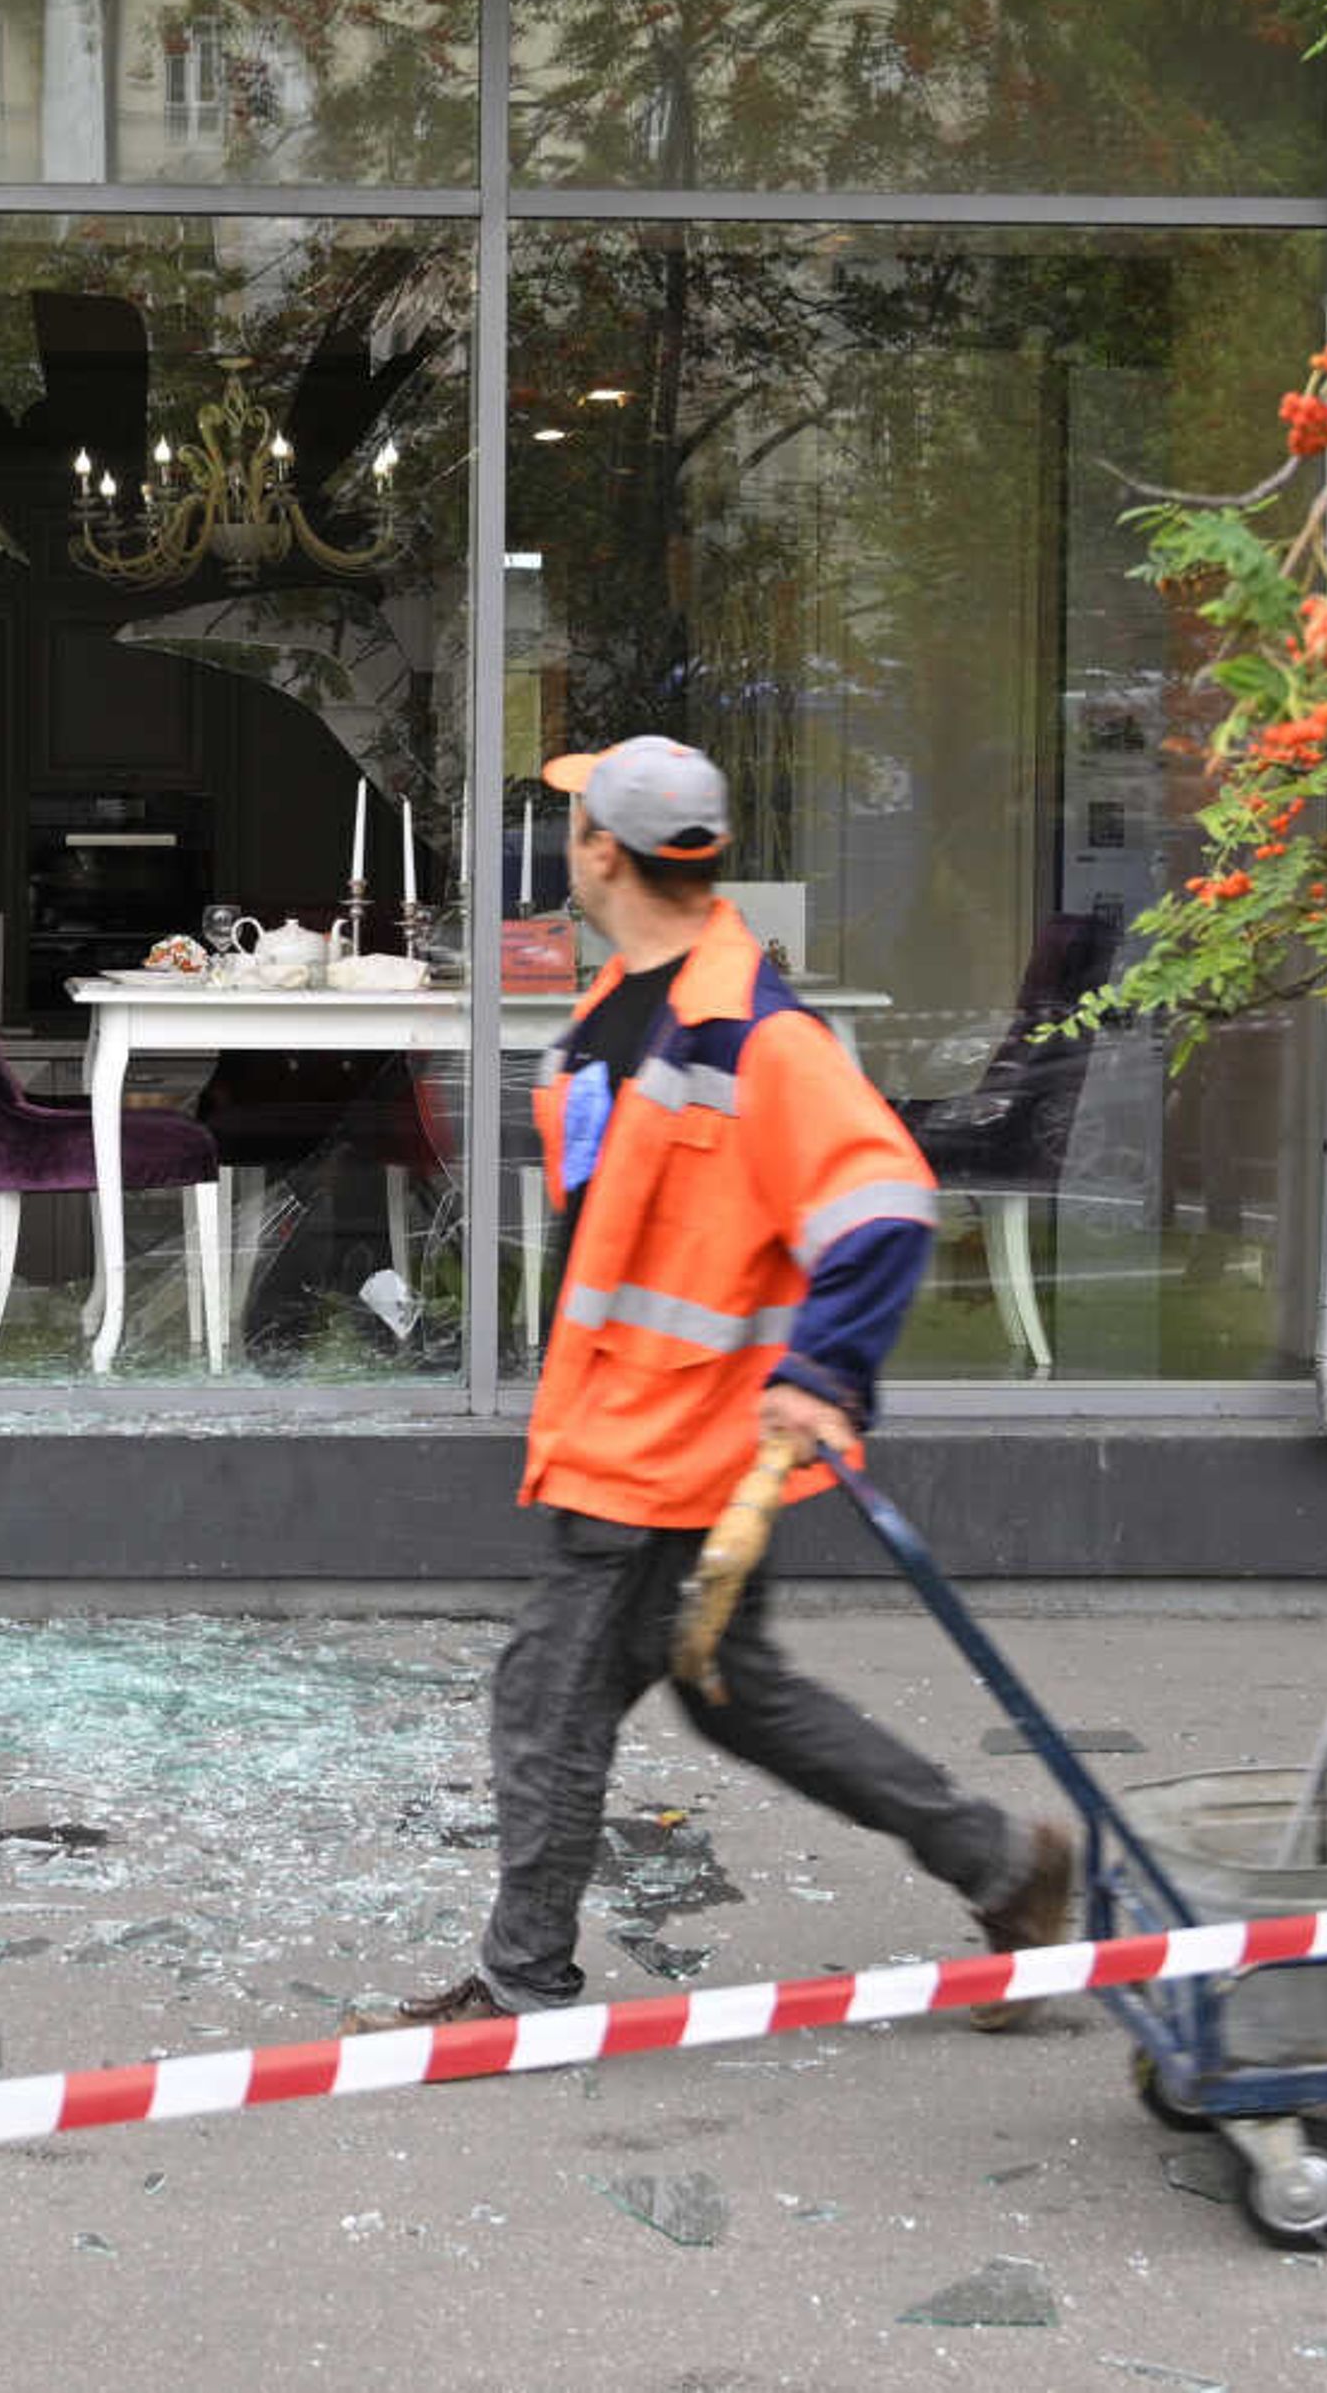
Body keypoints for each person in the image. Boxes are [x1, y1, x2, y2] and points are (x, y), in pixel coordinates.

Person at [371, 735, 1076, 2033]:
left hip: (667, 1445)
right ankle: (1002, 1861)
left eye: (577, 817)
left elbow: (884, 1198)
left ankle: (521, 1988)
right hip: (635, 1424)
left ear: (603, 853)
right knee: (737, 1691)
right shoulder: (628, 1008)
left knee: (547, 1696)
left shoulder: (752, 1028)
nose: (569, 835)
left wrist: (821, 1370)